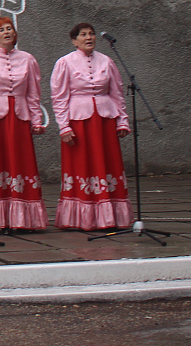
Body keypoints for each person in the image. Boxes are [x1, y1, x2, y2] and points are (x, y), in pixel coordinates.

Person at [50, 23, 133, 230]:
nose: (89, 38)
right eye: (83, 35)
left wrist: (122, 120)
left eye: (91, 34)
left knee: (107, 164)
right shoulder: (65, 63)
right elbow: (59, 98)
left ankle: (110, 216)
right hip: (79, 123)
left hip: (105, 121)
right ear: (74, 41)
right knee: (82, 165)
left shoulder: (107, 61)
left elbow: (117, 93)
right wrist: (64, 126)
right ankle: (81, 218)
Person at [0, 17, 47, 232]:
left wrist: (36, 120)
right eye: (1, 30)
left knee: (20, 164)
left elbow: (33, 94)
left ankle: (23, 218)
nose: (6, 32)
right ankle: (1, 218)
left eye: (9, 28)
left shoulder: (28, 59)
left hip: (19, 120)